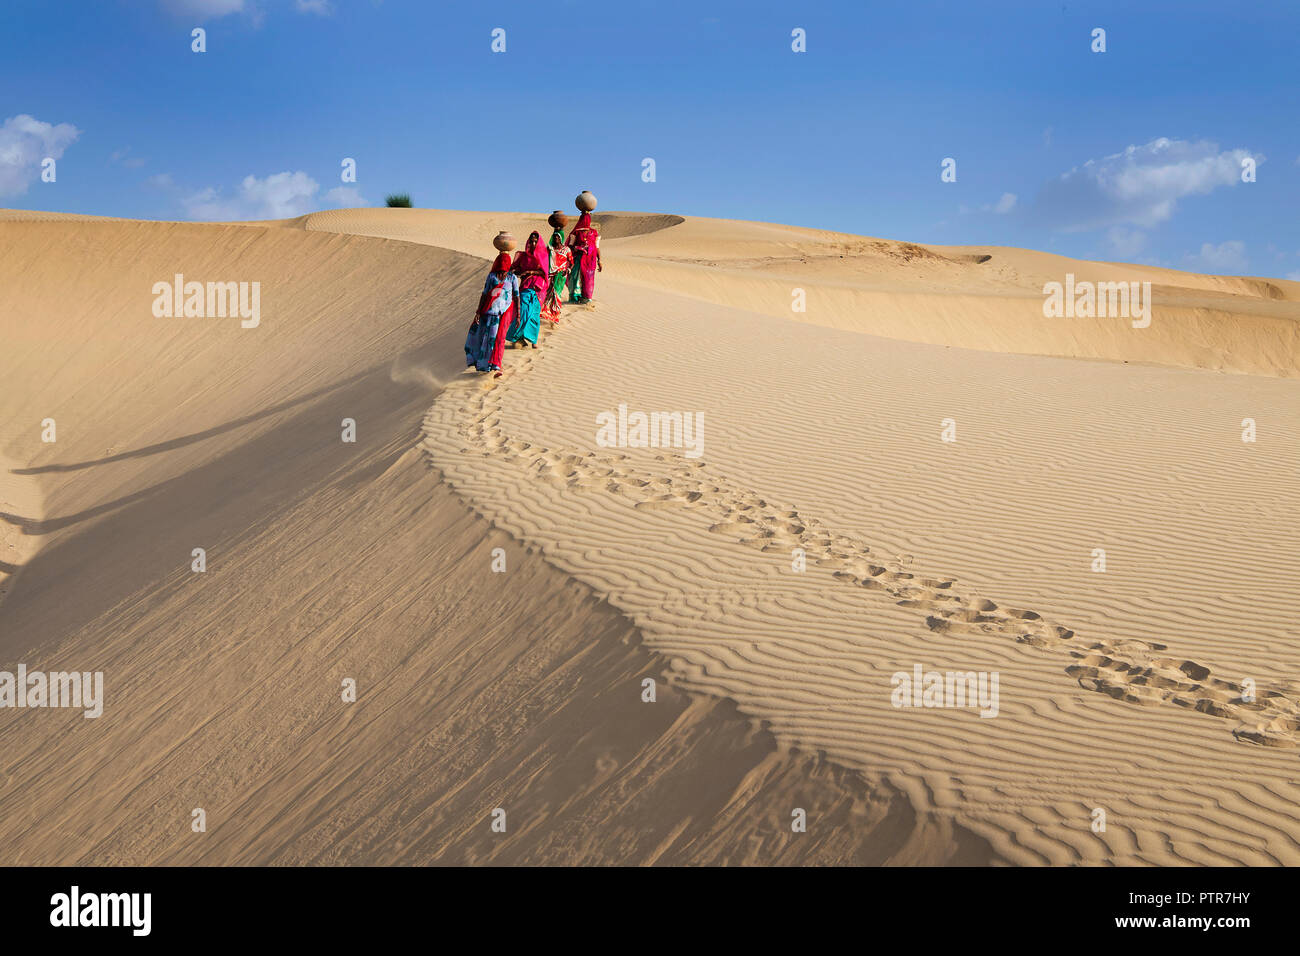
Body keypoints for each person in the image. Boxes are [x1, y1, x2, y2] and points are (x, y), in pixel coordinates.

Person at [465, 251, 519, 375]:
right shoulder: (492, 276)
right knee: (486, 338)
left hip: (504, 312)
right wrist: (478, 311)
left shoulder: (512, 278)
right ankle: (485, 365)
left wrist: (519, 315)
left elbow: (516, 296)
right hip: (489, 312)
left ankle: (495, 365)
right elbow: (484, 294)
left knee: (498, 339)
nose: (502, 270)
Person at [506, 231, 547, 348]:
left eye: (535, 242)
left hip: (538, 288)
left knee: (534, 314)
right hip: (525, 286)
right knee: (523, 311)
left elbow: (544, 272)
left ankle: (533, 341)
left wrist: (530, 272)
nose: (533, 244)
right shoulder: (523, 256)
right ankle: (517, 338)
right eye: (531, 241)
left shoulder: (543, 256)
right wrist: (515, 271)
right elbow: (516, 268)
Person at [566, 212, 601, 304]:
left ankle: (586, 298)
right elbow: (570, 246)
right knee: (575, 277)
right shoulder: (576, 232)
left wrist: (599, 261)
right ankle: (574, 297)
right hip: (578, 258)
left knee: (588, 278)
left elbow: (597, 247)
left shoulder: (594, 232)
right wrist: (578, 248)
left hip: (590, 260)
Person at [542, 227, 572, 324]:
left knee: (556, 294)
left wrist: (568, 270)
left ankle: (556, 315)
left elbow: (571, 262)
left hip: (561, 275)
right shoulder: (550, 249)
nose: (555, 239)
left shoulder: (566, 249)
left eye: (557, 237)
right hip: (550, 275)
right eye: (554, 237)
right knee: (548, 293)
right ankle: (546, 312)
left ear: (561, 238)